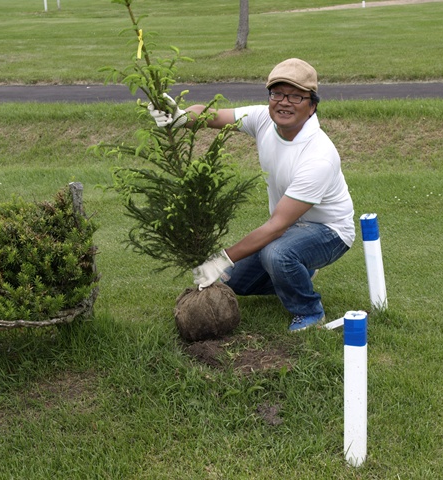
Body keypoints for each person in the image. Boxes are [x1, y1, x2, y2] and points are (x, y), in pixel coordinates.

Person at [149, 58, 355, 331]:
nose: (284, 102)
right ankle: (299, 272)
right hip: (292, 228)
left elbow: (276, 226)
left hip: (330, 231)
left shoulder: (318, 156)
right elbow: (214, 115)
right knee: (235, 281)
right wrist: (182, 117)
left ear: (312, 105)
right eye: (277, 93)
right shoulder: (262, 119)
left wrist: (220, 259)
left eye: (296, 96)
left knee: (277, 253)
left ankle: (309, 312)